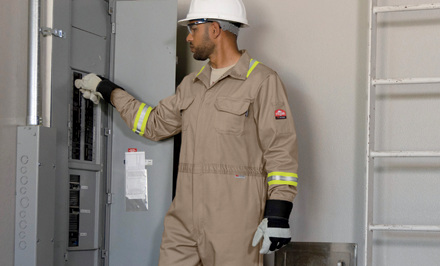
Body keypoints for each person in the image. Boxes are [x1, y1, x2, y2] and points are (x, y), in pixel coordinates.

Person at [74, 0, 298, 264]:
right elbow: (154, 124)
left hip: (234, 221)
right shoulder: (191, 85)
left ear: (215, 29)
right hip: (184, 219)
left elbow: (281, 149)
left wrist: (279, 212)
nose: (189, 37)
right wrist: (110, 91)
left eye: (193, 28)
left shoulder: (261, 81)